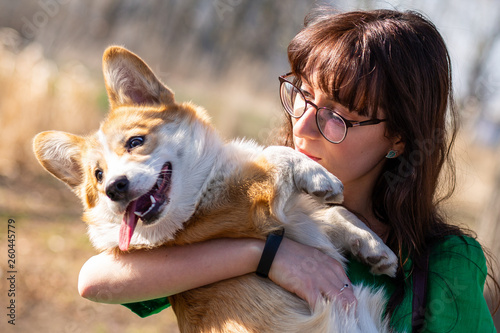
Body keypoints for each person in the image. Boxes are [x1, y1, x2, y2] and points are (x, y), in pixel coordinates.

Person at [78, 8, 498, 331]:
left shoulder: (443, 265)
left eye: (339, 116)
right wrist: (266, 256)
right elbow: (98, 280)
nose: (302, 125)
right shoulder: (243, 208)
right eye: (304, 95)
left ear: (399, 138)